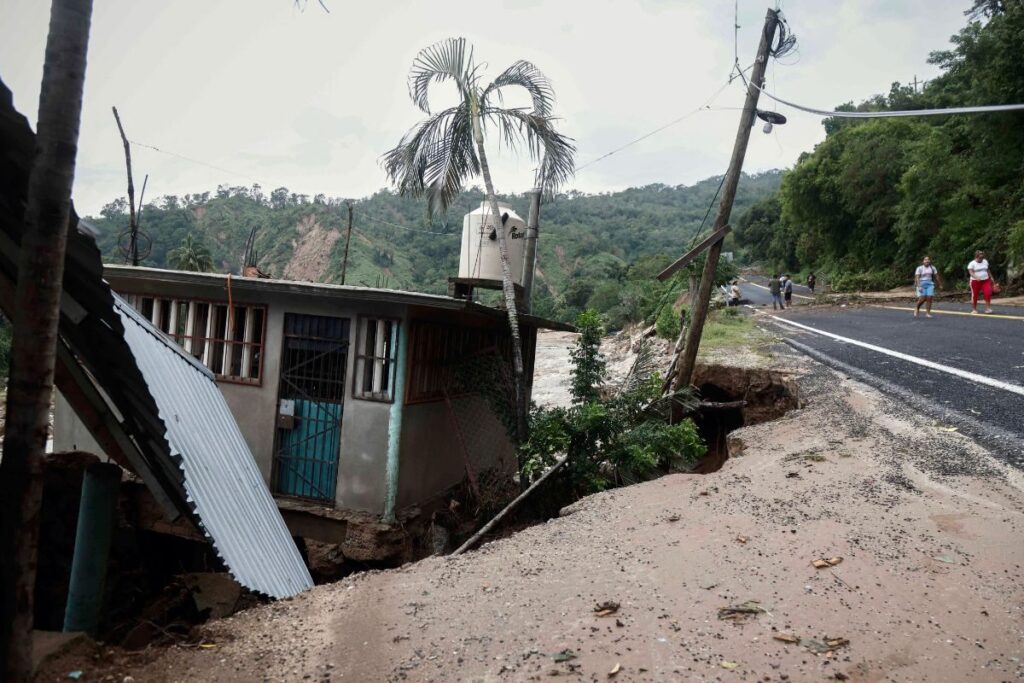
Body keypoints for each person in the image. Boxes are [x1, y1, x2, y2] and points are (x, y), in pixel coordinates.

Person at [968, 250, 993, 314]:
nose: (981, 259)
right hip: (975, 281)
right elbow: (971, 272)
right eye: (980, 258)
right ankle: (974, 309)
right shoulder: (972, 263)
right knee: (975, 295)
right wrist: (976, 277)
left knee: (988, 293)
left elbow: (987, 270)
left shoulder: (985, 261)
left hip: (985, 280)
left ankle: (987, 308)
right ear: (976, 257)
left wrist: (991, 277)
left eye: (982, 257)